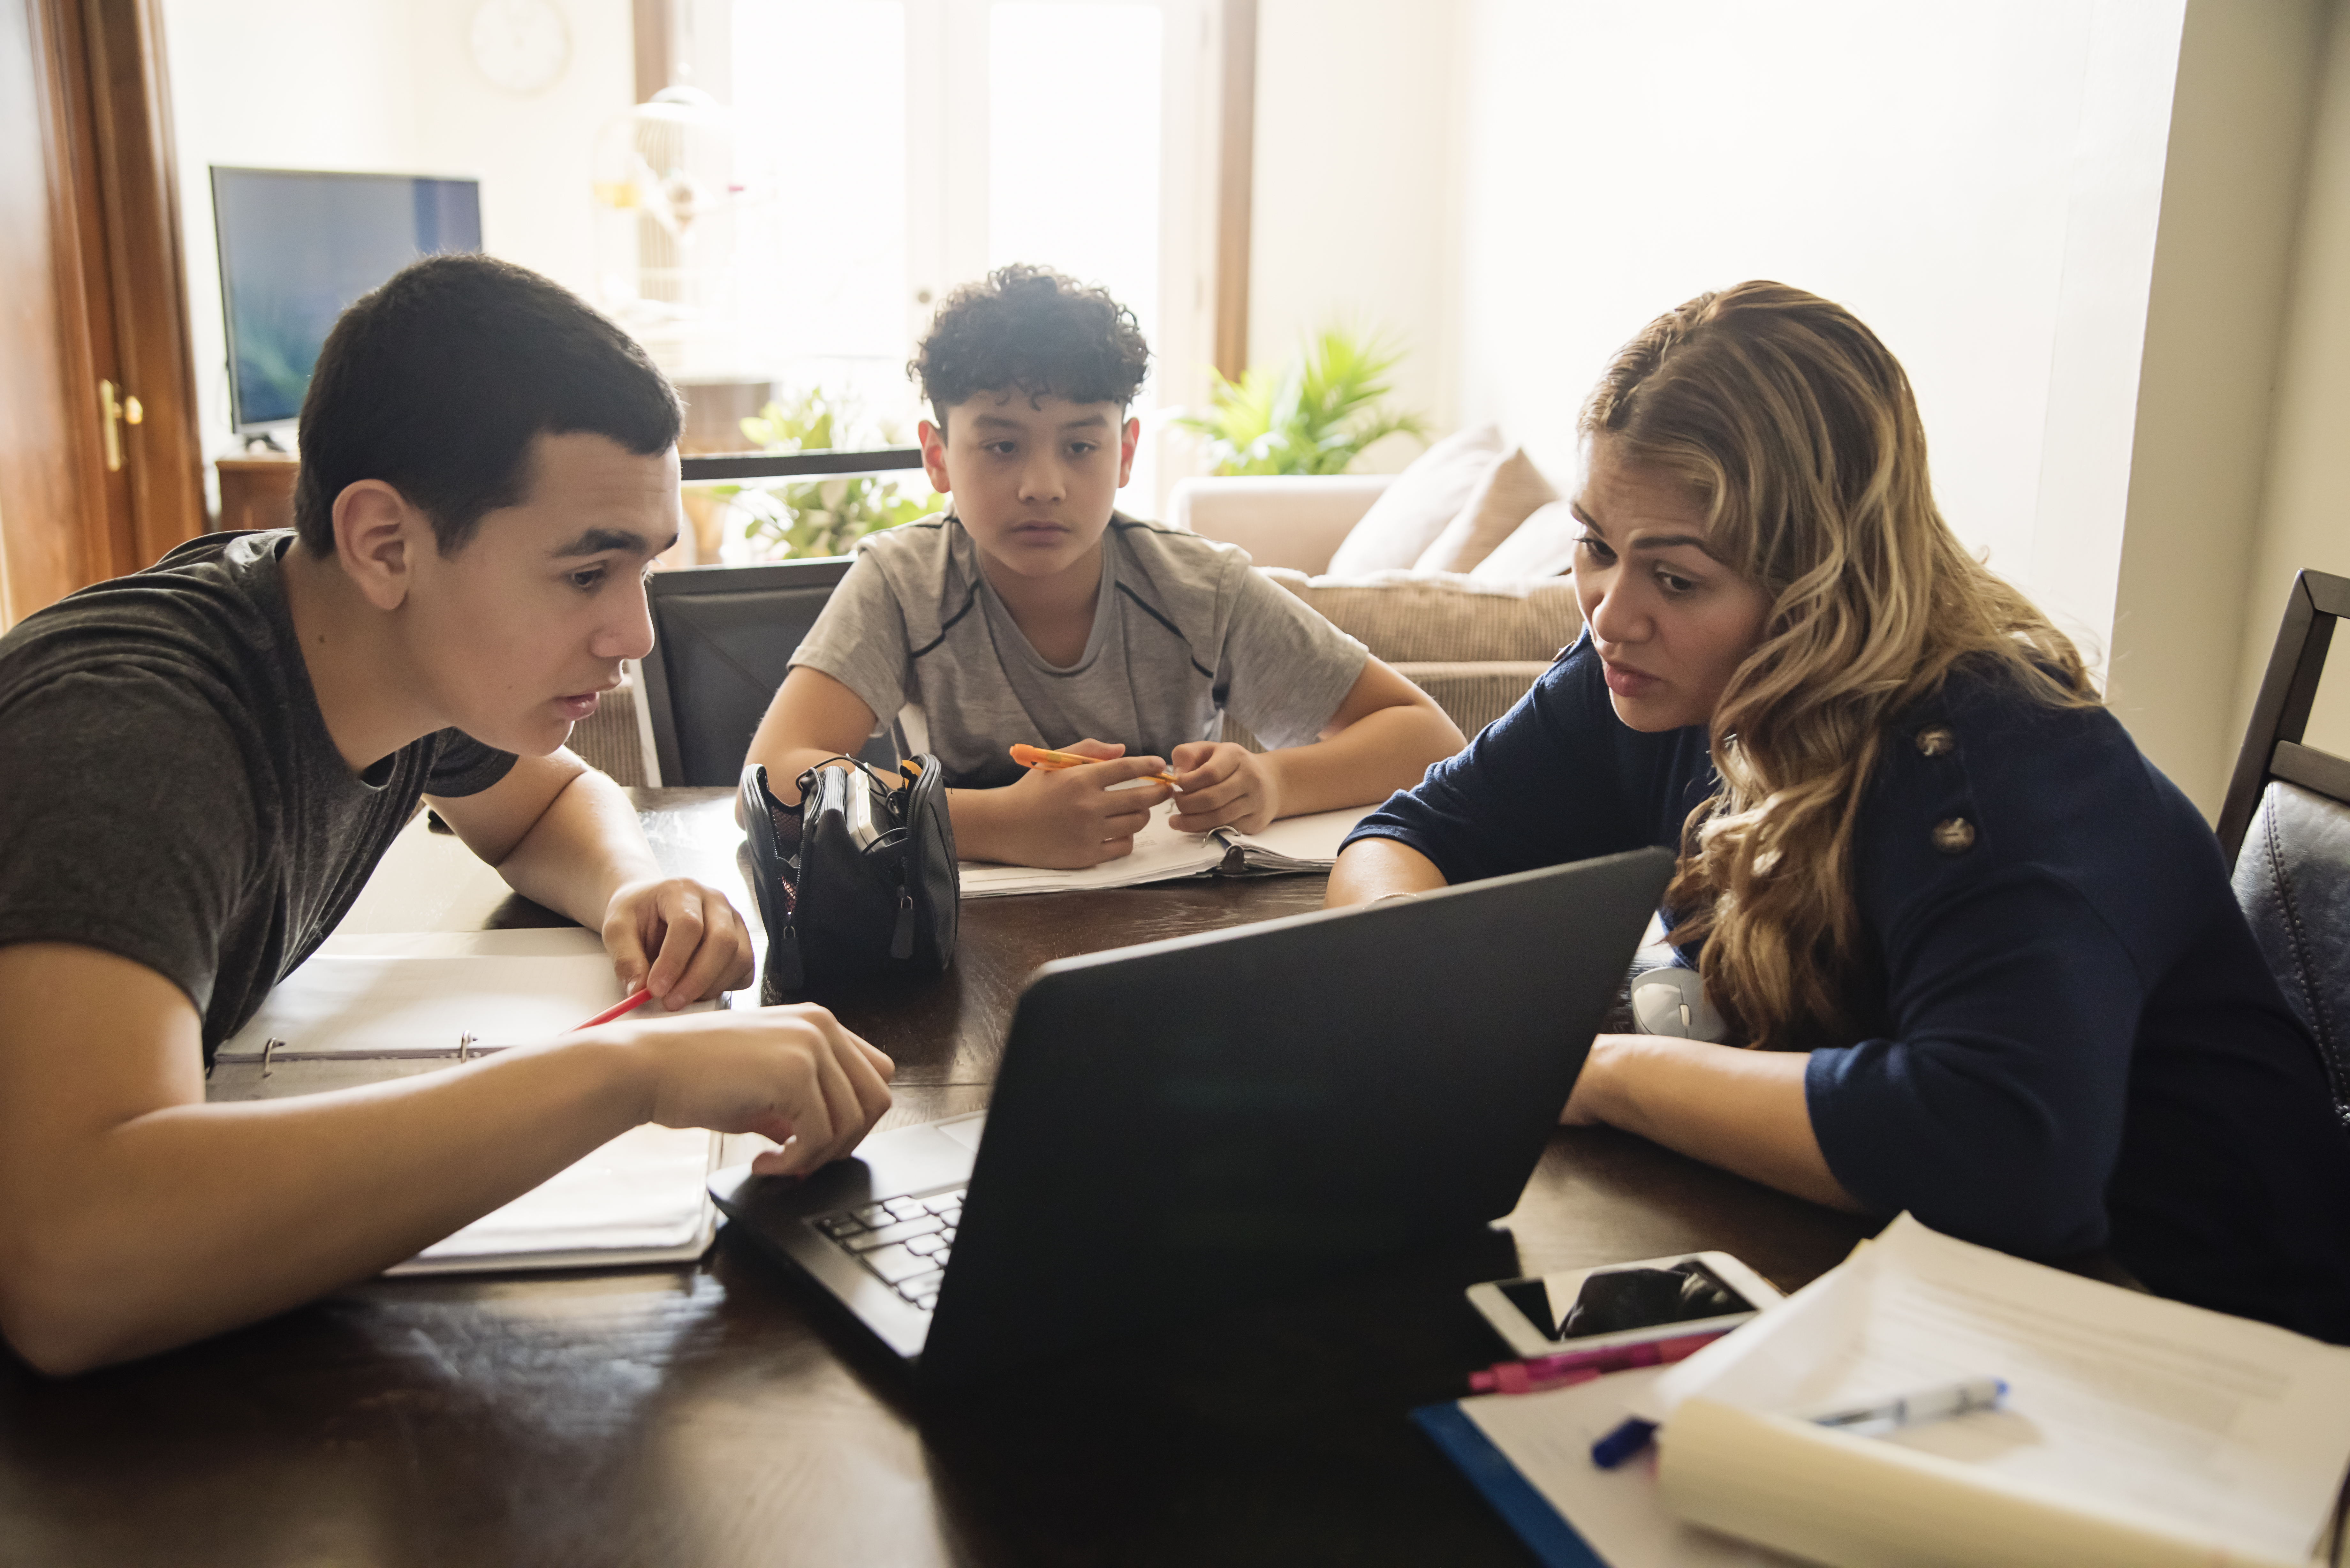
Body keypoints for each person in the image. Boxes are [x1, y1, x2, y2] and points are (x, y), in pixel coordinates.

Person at [1327, 281, 2350, 1339]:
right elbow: (1408, 836)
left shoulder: (2003, 763)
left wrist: (1599, 1074)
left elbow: (2005, 1153)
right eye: (1594, 547)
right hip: (1928, 1280)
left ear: (1822, 582)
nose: (1611, 615)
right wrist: (1431, 995)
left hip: (2206, 1337)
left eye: (1677, 579)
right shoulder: (1642, 674)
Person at [0, 255, 894, 1376]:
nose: (637, 634)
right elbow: (72, 1264)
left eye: (645, 569)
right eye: (585, 575)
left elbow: (544, 808)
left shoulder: (392, 654)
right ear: (385, 544)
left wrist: (632, 884)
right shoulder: (129, 736)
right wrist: (634, 1076)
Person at [743, 264, 1464, 869]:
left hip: (1175, 931)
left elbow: (1427, 737)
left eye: (1080, 446)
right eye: (1001, 447)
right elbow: (769, 777)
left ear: (1124, 453)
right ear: (937, 456)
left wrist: (1273, 779)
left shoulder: (1198, 588)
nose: (1042, 484)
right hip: (975, 935)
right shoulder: (903, 583)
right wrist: (998, 821)